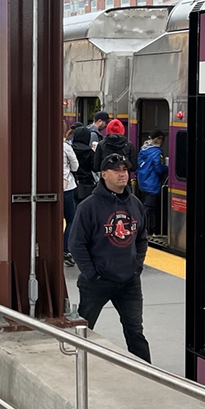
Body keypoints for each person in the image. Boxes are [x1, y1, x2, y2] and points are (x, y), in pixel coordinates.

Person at [69, 152, 151, 362]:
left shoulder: (135, 204)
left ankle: (146, 373)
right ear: (104, 174)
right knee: (83, 329)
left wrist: (136, 267)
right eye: (116, 170)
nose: (122, 174)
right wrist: (92, 274)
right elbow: (76, 245)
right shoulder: (88, 207)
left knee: (135, 332)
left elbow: (142, 238)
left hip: (129, 281)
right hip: (97, 282)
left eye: (125, 169)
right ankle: (74, 367)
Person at [136, 129, 169, 235]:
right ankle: (150, 230)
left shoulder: (143, 150)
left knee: (148, 207)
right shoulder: (157, 152)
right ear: (158, 139)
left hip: (143, 182)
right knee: (150, 208)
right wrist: (168, 169)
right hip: (153, 183)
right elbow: (158, 168)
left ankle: (149, 229)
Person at [63, 135, 79, 264]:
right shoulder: (66, 147)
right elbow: (75, 167)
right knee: (70, 219)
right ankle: (66, 249)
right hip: (67, 187)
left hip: (48, 189)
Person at [71, 124, 97, 203]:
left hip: (72, 183)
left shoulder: (71, 149)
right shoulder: (90, 152)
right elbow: (95, 167)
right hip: (87, 184)